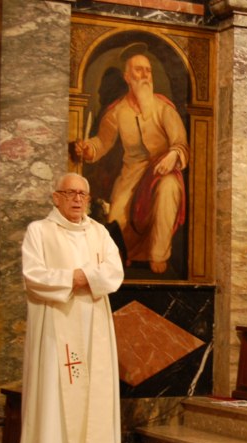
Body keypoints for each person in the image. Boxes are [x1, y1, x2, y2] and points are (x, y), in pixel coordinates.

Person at [18, 173, 124, 443]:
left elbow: (114, 272)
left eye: (83, 194)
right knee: (54, 388)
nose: (77, 199)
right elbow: (33, 276)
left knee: (95, 388)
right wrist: (80, 278)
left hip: (94, 324)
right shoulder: (39, 231)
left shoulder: (100, 232)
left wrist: (79, 277)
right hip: (55, 321)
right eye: (70, 193)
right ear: (56, 197)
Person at [76, 43, 189, 275]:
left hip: (163, 171)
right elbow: (102, 143)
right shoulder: (117, 111)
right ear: (128, 77)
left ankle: (158, 256)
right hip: (131, 174)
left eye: (147, 70)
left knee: (169, 189)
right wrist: (88, 149)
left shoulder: (164, 109)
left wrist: (174, 154)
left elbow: (181, 143)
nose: (145, 75)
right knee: (117, 217)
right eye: (138, 70)